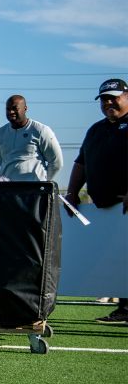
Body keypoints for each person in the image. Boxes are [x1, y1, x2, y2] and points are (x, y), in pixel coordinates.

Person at [65, 78, 128, 323]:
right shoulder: (96, 129)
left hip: (124, 208)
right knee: (115, 259)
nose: (109, 102)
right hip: (104, 211)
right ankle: (124, 308)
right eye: (104, 99)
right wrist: (71, 192)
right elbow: (81, 162)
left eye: (114, 97)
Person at [0, 95, 63, 182]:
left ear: (25, 109)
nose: (11, 112)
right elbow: (1, 161)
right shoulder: (0, 133)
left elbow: (56, 162)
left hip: (34, 191)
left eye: (15, 108)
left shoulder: (41, 130)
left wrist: (44, 183)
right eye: (8, 109)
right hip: (6, 190)